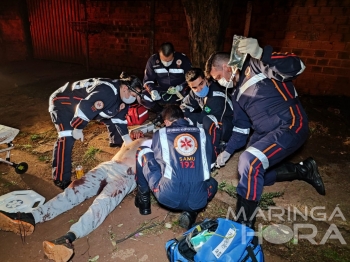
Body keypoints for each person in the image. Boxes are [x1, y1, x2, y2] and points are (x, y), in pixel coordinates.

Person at [205, 37, 326, 229]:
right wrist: (227, 151)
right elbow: (241, 128)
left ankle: (244, 226)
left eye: (217, 76)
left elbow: (297, 66)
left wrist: (262, 53)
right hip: (265, 133)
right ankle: (304, 170)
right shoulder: (236, 94)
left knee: (250, 161)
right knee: (259, 175)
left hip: (290, 123)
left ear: (227, 66)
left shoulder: (256, 63)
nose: (218, 82)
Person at [0, 137, 148, 262]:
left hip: (126, 175)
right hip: (109, 165)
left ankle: (68, 238)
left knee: (102, 203)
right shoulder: (135, 134)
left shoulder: (160, 142)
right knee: (73, 191)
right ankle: (31, 217)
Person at [49, 75, 142, 190]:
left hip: (84, 104)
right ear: (124, 88)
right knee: (67, 136)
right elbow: (85, 108)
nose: (134, 99)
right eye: (133, 95)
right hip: (64, 101)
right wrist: (78, 128)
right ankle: (60, 178)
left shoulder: (123, 97)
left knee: (111, 114)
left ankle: (115, 141)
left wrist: (128, 141)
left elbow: (119, 119)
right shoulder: (107, 91)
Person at [134, 104, 218, 229]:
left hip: (167, 195)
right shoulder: (202, 133)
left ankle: (143, 201)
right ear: (184, 117)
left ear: (166, 122)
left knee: (142, 151)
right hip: (199, 198)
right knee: (213, 183)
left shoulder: (160, 133)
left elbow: (157, 162)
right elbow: (211, 163)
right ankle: (191, 212)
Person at [181, 68, 233, 160]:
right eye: (194, 87)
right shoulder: (195, 93)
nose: (199, 89)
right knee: (183, 117)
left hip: (229, 126)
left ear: (205, 79)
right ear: (190, 87)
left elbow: (203, 119)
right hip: (211, 119)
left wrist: (189, 121)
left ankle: (213, 154)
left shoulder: (216, 96)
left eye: (201, 84)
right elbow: (184, 107)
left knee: (207, 121)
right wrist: (183, 117)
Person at [141, 42, 192, 125]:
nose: (166, 63)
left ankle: (181, 115)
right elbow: (147, 80)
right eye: (164, 60)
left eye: (169, 60)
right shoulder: (153, 60)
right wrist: (152, 91)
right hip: (162, 91)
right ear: (159, 55)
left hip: (179, 92)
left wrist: (180, 87)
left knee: (190, 94)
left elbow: (190, 79)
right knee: (142, 96)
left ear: (174, 54)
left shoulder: (183, 59)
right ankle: (162, 113)